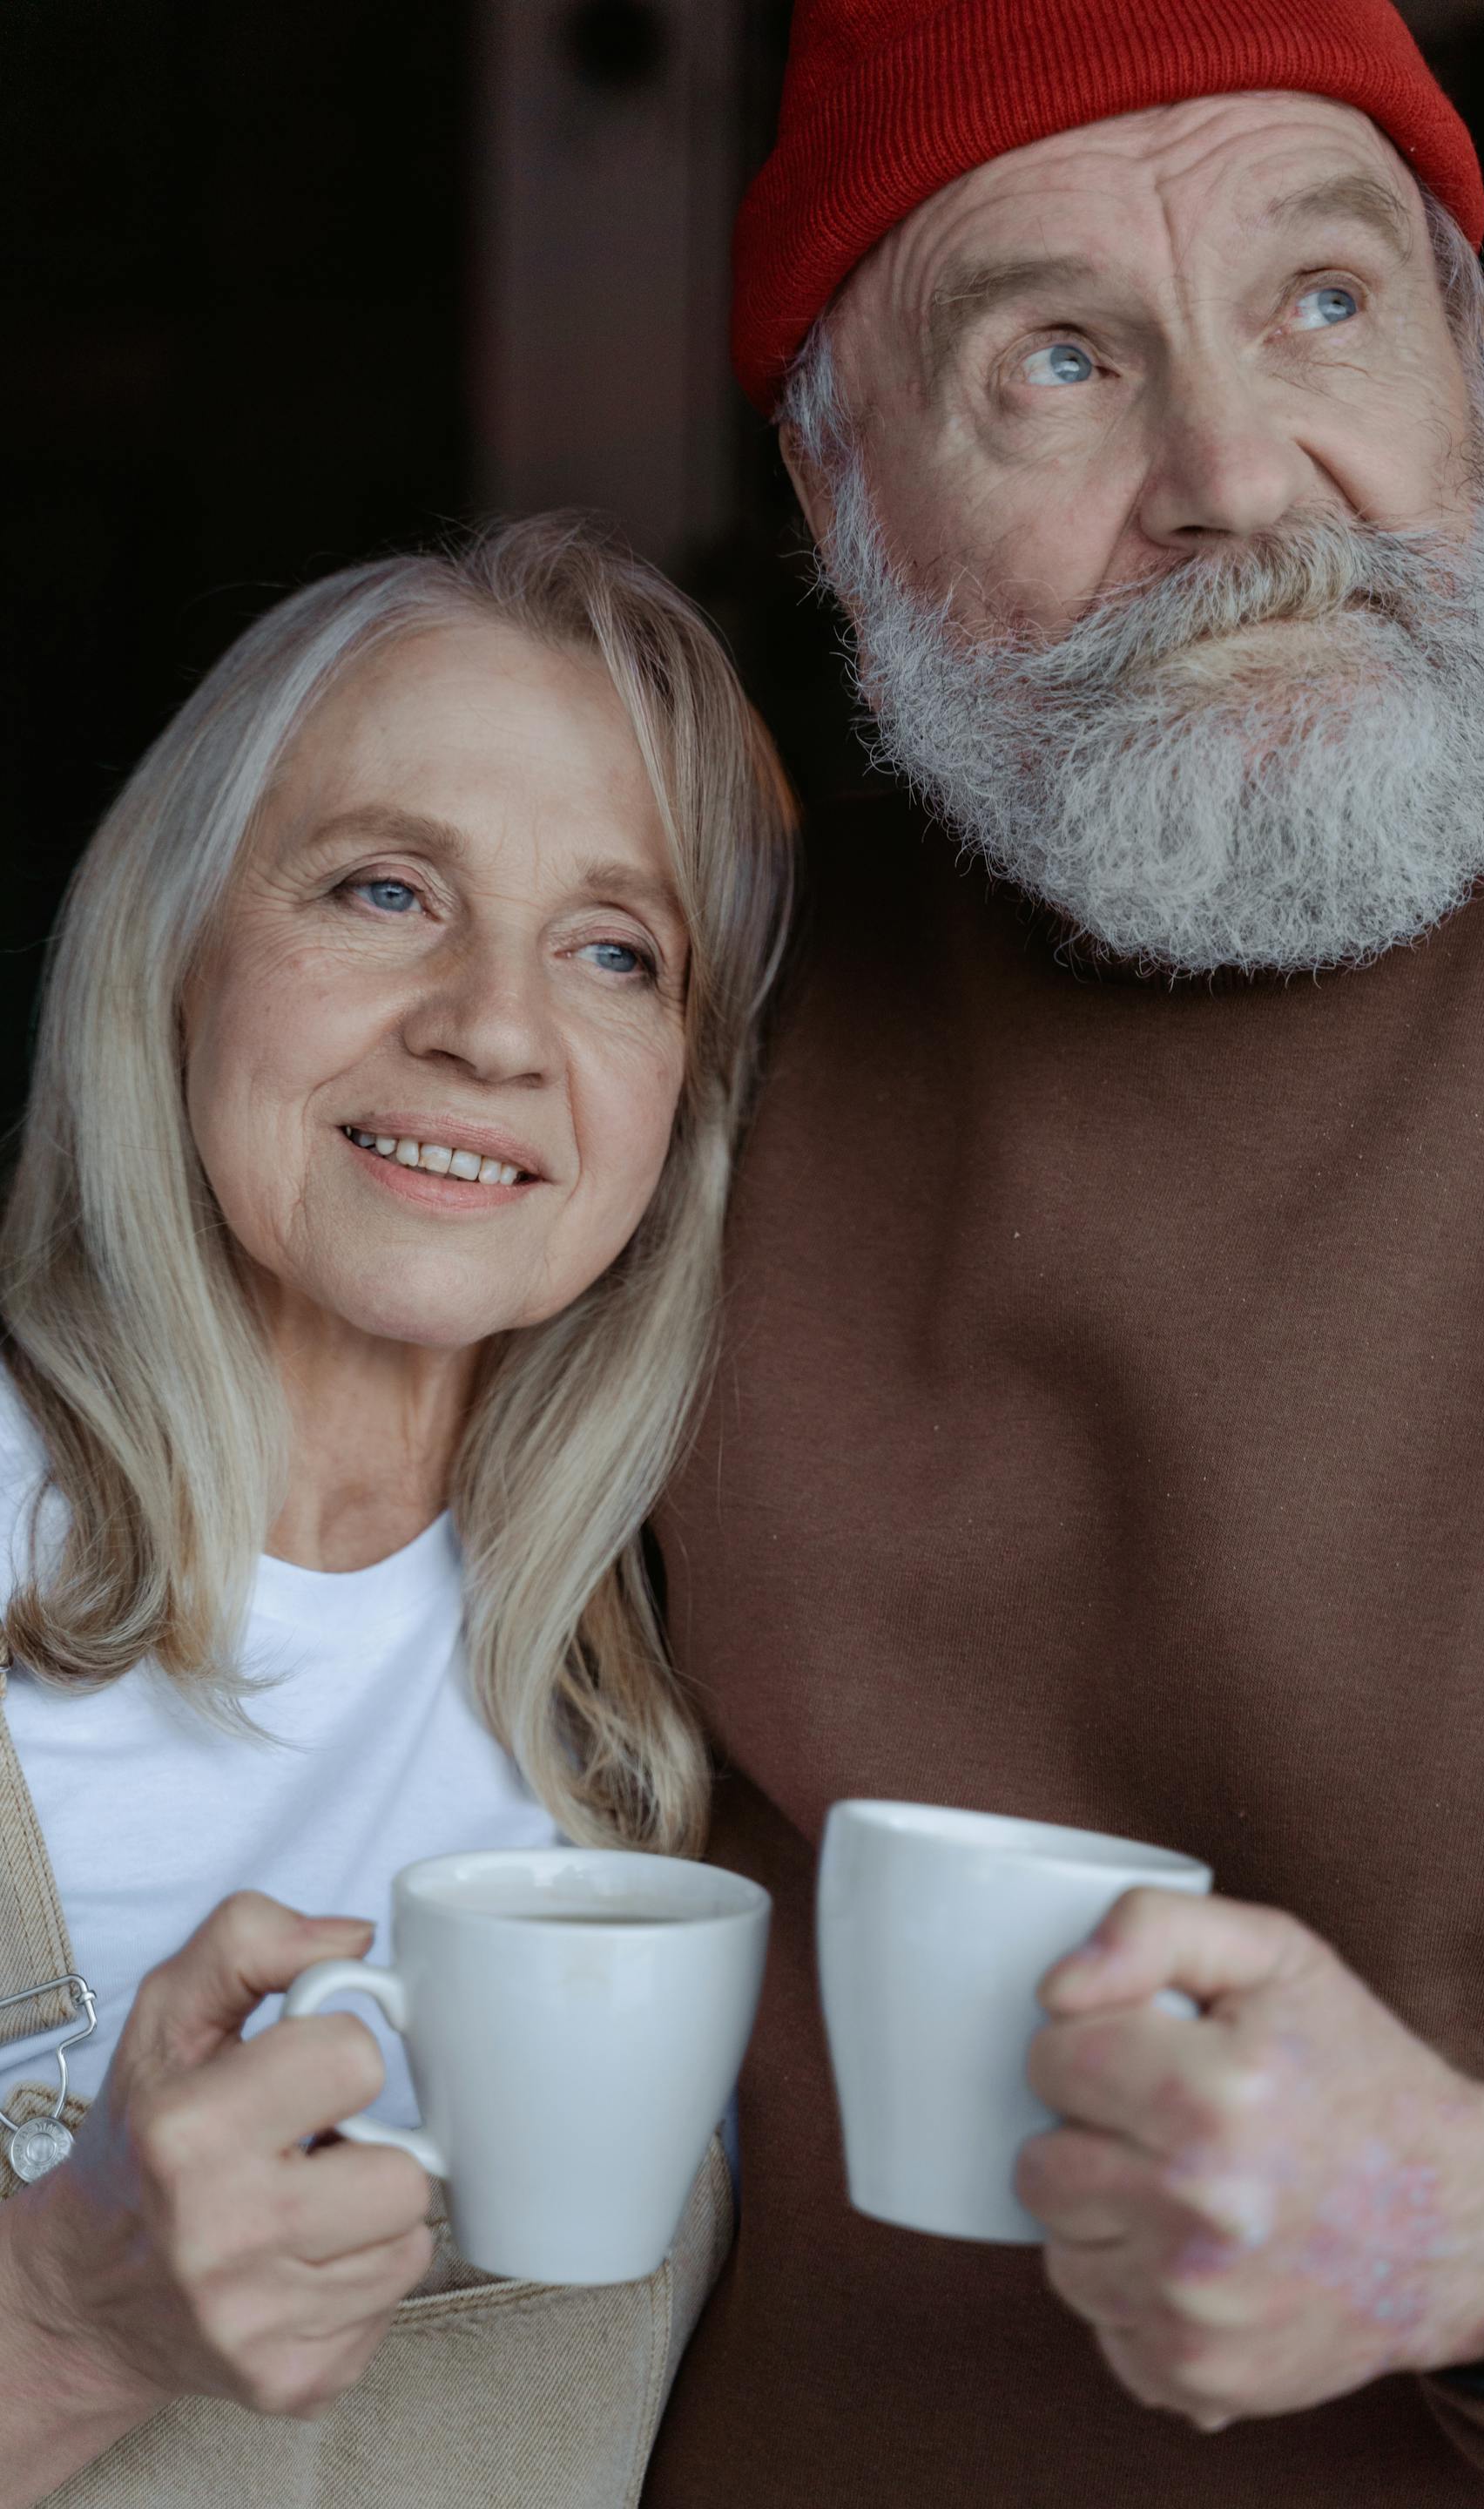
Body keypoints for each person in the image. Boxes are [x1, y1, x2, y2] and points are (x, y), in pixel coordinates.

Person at [641, 2, 1484, 2505]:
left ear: (1472, 365)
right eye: (1062, 359)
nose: (1236, 480)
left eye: (1328, 307)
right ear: (839, 485)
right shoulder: (652, 1037)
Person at [0, 515, 794, 2505]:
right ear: (173, 947)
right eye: (384, 889)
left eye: (618, 951)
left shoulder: (705, 1677)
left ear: (683, 1098)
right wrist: (67, 2324)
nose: (497, 1027)